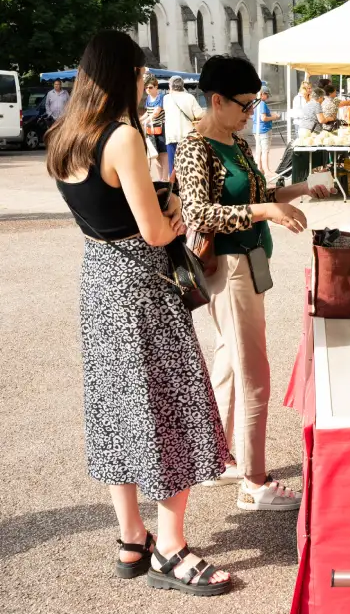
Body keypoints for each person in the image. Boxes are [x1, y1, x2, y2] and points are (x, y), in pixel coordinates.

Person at [46, 30, 232, 596]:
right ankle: (171, 549)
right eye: (143, 75)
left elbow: (101, 209)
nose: (147, 84)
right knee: (170, 405)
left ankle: (132, 538)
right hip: (141, 289)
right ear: (124, 76)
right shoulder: (122, 136)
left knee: (118, 408)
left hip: (99, 284)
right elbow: (153, 231)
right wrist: (172, 208)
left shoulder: (63, 138)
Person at [174, 55, 331, 511]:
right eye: (245, 104)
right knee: (254, 372)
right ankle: (255, 482)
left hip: (249, 259)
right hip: (228, 266)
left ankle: (218, 460)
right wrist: (265, 212)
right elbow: (198, 213)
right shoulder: (196, 147)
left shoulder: (237, 143)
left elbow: (260, 196)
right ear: (216, 100)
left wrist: (300, 190)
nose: (251, 112)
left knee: (229, 362)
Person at [163, 75, 204, 177]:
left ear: (171, 86)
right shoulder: (190, 97)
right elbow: (199, 114)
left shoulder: (166, 98)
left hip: (171, 137)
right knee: (188, 165)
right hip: (188, 137)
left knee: (172, 167)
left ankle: (174, 188)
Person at [142, 76, 169, 181]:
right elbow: (148, 113)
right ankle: (159, 178)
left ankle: (164, 179)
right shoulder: (148, 98)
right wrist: (139, 119)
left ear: (156, 87)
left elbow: (156, 113)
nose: (147, 90)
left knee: (163, 155)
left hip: (161, 129)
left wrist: (146, 120)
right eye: (146, 88)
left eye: (150, 87)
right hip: (151, 130)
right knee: (155, 155)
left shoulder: (161, 97)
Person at [252, 86, 277, 173]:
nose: (268, 97)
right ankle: (267, 170)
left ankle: (260, 168)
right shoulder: (262, 103)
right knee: (265, 150)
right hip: (264, 129)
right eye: (267, 95)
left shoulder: (254, 103)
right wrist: (274, 117)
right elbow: (263, 118)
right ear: (262, 94)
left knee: (259, 150)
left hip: (256, 129)